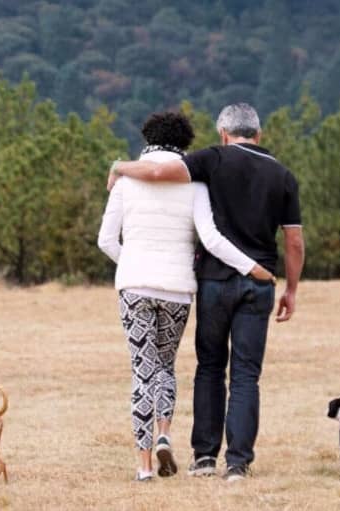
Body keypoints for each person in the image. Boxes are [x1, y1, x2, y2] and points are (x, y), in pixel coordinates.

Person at [107, 103, 305, 482]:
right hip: (256, 284)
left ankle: (202, 457)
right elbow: (294, 241)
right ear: (259, 135)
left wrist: (119, 167)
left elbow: (157, 170)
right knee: (246, 374)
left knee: (209, 368)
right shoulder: (283, 175)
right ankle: (238, 463)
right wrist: (290, 289)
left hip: (213, 282)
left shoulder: (212, 160)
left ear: (223, 134)